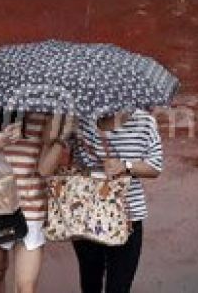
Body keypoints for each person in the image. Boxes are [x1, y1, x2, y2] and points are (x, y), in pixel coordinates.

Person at [39, 110, 163, 293]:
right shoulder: (80, 119)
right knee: (90, 284)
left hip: (128, 218)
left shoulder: (144, 122)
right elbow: (45, 167)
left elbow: (155, 166)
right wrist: (64, 132)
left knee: (119, 287)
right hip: (85, 216)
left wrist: (125, 166)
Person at [0, 99, 52, 293]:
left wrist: (59, 132)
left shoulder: (49, 108)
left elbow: (46, 165)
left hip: (31, 204)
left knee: (26, 287)